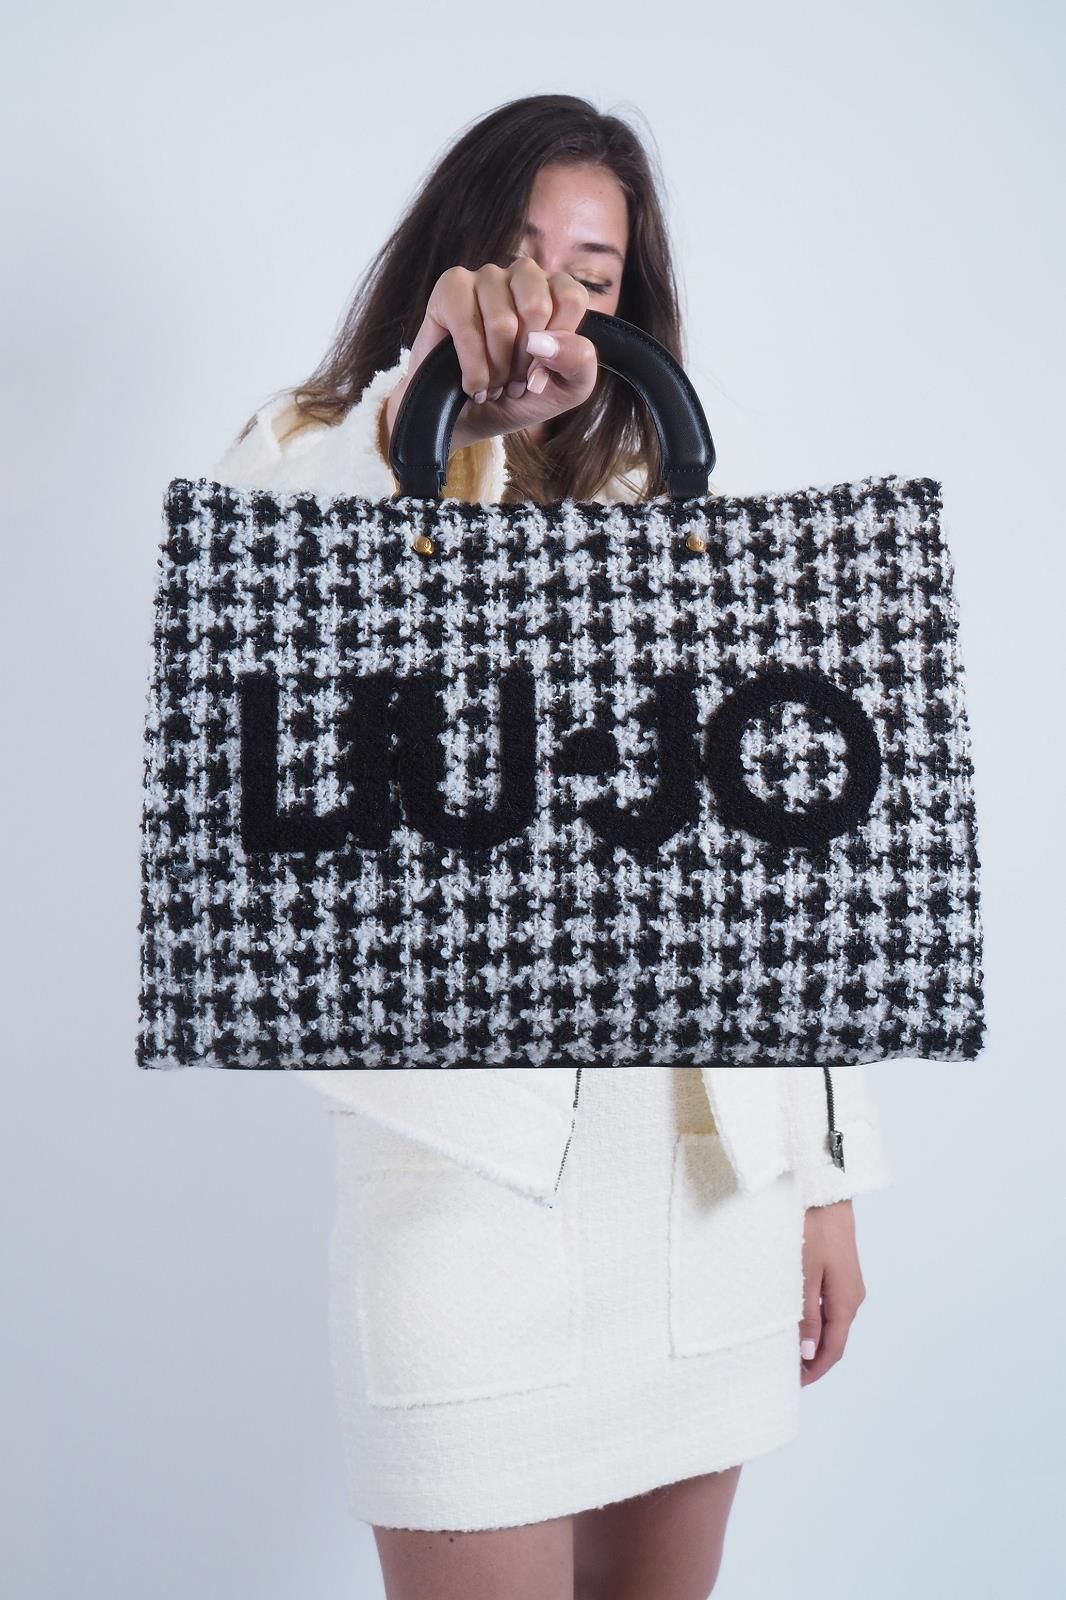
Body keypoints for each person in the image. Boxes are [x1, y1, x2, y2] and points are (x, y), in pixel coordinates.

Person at [209, 93, 893, 1600]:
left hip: (704, 1191)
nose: (555, 300)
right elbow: (279, 636)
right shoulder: (315, 452)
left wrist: (823, 1175)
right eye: (525, 255)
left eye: (595, 272)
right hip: (468, 1195)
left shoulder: (681, 519)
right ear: (452, 257)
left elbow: (769, 873)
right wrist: (441, 421)